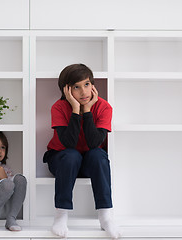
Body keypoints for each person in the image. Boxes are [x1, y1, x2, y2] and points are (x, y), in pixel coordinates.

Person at [43, 64, 120, 239]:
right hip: (61, 159)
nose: (83, 92)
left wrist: (87, 110)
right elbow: (69, 143)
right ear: (66, 90)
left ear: (93, 85)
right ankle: (61, 215)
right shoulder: (59, 107)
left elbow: (94, 143)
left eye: (86, 84)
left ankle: (105, 216)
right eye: (76, 87)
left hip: (88, 161)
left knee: (99, 155)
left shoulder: (103, 107)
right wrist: (76, 109)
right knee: (72, 155)